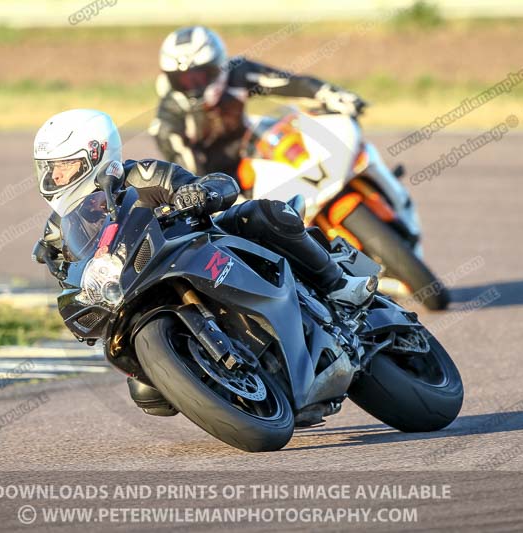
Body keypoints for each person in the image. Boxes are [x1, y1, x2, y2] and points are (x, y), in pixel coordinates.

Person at [31, 109, 375, 415]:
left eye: (64, 166)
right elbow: (73, 277)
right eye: (49, 169)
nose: (55, 177)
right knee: (150, 395)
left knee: (261, 213)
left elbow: (215, 184)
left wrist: (199, 193)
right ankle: (233, 390)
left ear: (96, 155)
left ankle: (339, 284)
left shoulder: (142, 175)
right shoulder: (58, 229)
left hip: (197, 246)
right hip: (136, 286)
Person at [149, 25, 367, 179]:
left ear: (218, 66)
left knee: (289, 128)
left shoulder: (236, 73)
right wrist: (214, 195)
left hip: (251, 145)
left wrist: (331, 94)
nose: (193, 86)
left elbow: (290, 83)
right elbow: (189, 174)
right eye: (183, 80)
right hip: (221, 182)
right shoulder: (167, 123)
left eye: (201, 76)